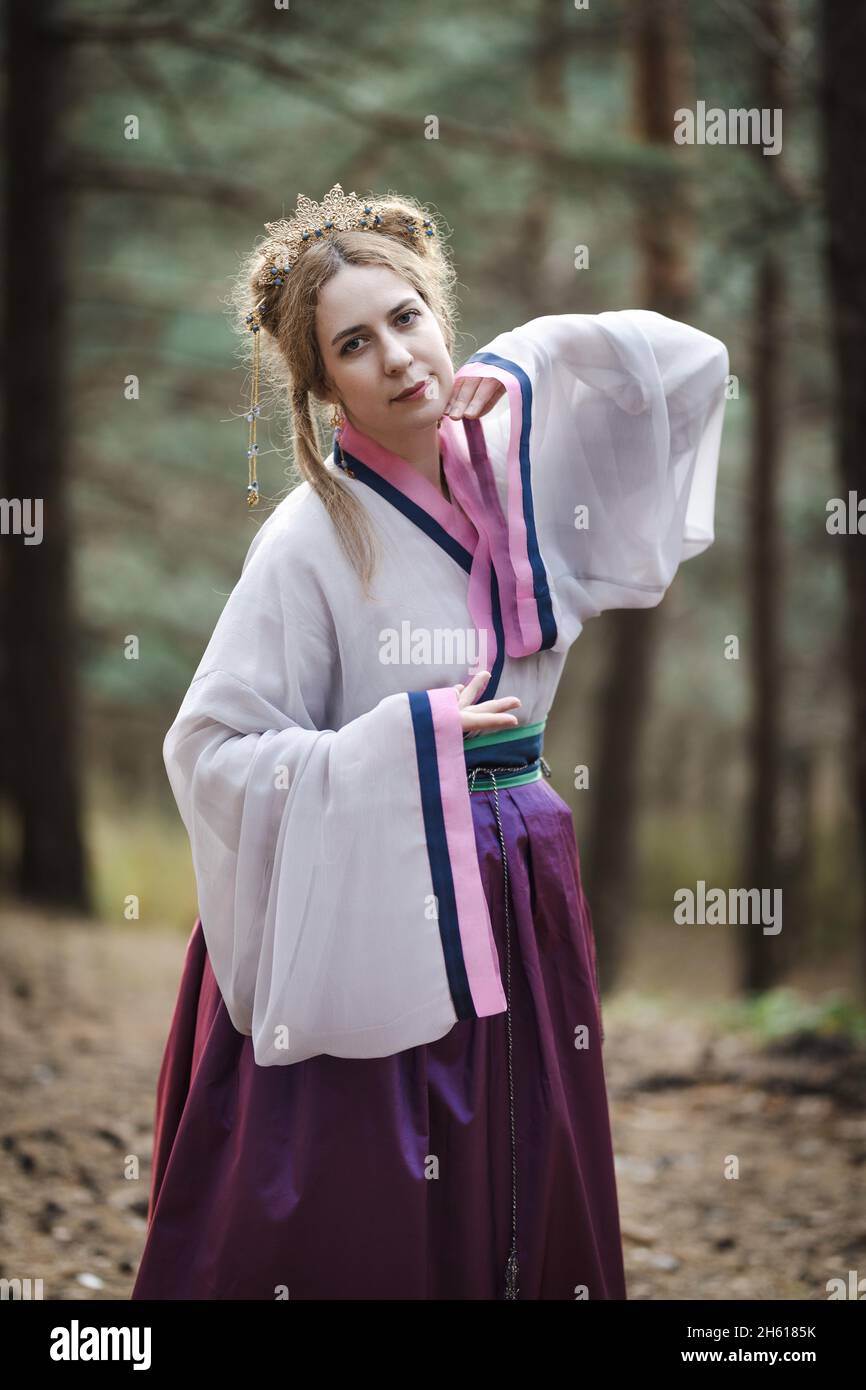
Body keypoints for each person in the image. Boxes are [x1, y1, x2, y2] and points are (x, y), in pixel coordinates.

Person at [130, 183, 729, 1301]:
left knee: (519, 1174)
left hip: (519, 877)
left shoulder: (519, 464)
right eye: (353, 344)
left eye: (407, 317)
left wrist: (529, 363)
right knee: (367, 1205)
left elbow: (687, 368)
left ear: (442, 313)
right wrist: (398, 741)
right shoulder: (309, 538)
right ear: (322, 388)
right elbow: (207, 747)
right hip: (368, 885)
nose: (396, 357)